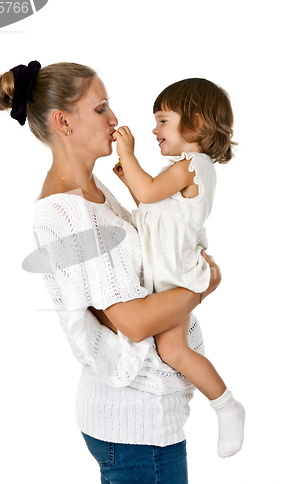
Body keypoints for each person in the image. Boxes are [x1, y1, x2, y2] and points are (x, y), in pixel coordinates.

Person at [0, 62, 222, 484]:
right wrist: (202, 283)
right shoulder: (66, 210)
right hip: (137, 427)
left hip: (146, 422)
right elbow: (133, 321)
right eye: (100, 108)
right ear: (63, 121)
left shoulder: (93, 191)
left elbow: (146, 272)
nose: (115, 119)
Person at [112, 78, 245, 459]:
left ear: (196, 122)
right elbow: (150, 201)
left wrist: (129, 153)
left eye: (162, 121)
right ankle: (223, 404)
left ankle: (226, 405)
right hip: (165, 277)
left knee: (173, 350)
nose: (155, 130)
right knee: (171, 349)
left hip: (177, 277)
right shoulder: (182, 170)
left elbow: (150, 192)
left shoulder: (193, 165)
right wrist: (131, 179)